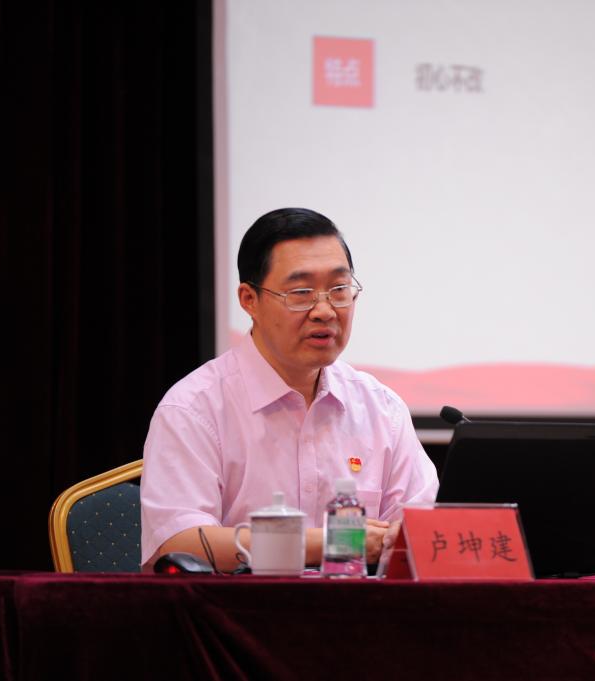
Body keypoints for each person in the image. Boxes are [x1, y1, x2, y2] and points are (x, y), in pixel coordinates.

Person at [140, 207, 438, 571]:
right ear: (249, 300)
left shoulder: (381, 409)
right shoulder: (194, 409)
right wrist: (329, 542)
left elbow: (420, 534)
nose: (325, 310)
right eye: (301, 292)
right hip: (238, 606)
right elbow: (177, 544)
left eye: (339, 290)